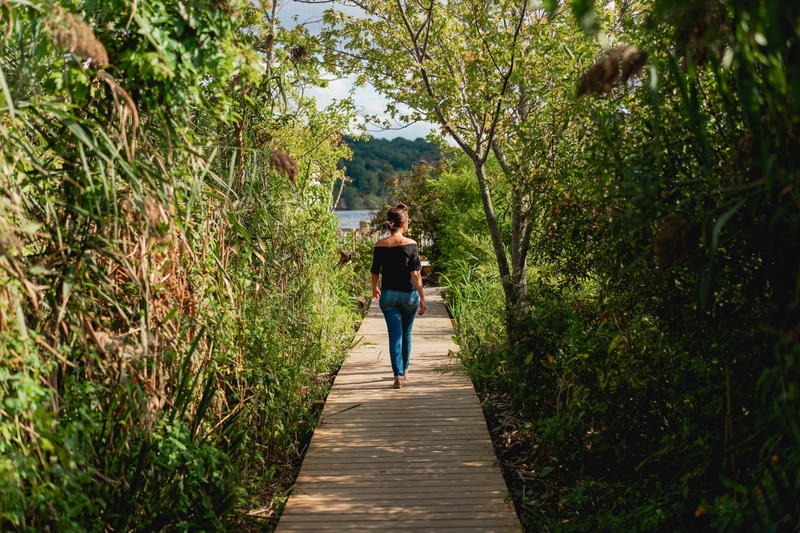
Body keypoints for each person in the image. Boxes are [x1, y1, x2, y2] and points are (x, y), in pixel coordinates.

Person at [370, 203, 427, 389]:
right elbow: (416, 274)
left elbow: (375, 271)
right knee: (406, 333)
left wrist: (374, 288)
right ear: (404, 224)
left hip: (388, 296)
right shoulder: (411, 245)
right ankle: (405, 370)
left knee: (395, 335)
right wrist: (422, 297)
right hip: (408, 296)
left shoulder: (380, 245)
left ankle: (397, 375)